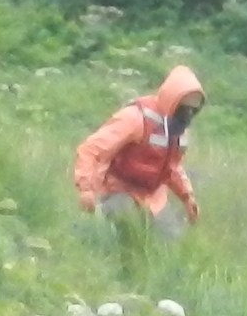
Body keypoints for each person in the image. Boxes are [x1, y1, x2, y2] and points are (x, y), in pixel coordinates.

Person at [73, 63, 202, 227]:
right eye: (184, 108)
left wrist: (187, 197)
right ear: (172, 100)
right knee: (125, 228)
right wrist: (86, 188)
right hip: (119, 190)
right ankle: (94, 226)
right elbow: (91, 149)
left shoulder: (179, 129)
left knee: (169, 245)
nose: (188, 115)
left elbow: (173, 167)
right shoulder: (135, 118)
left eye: (194, 110)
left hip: (153, 199)